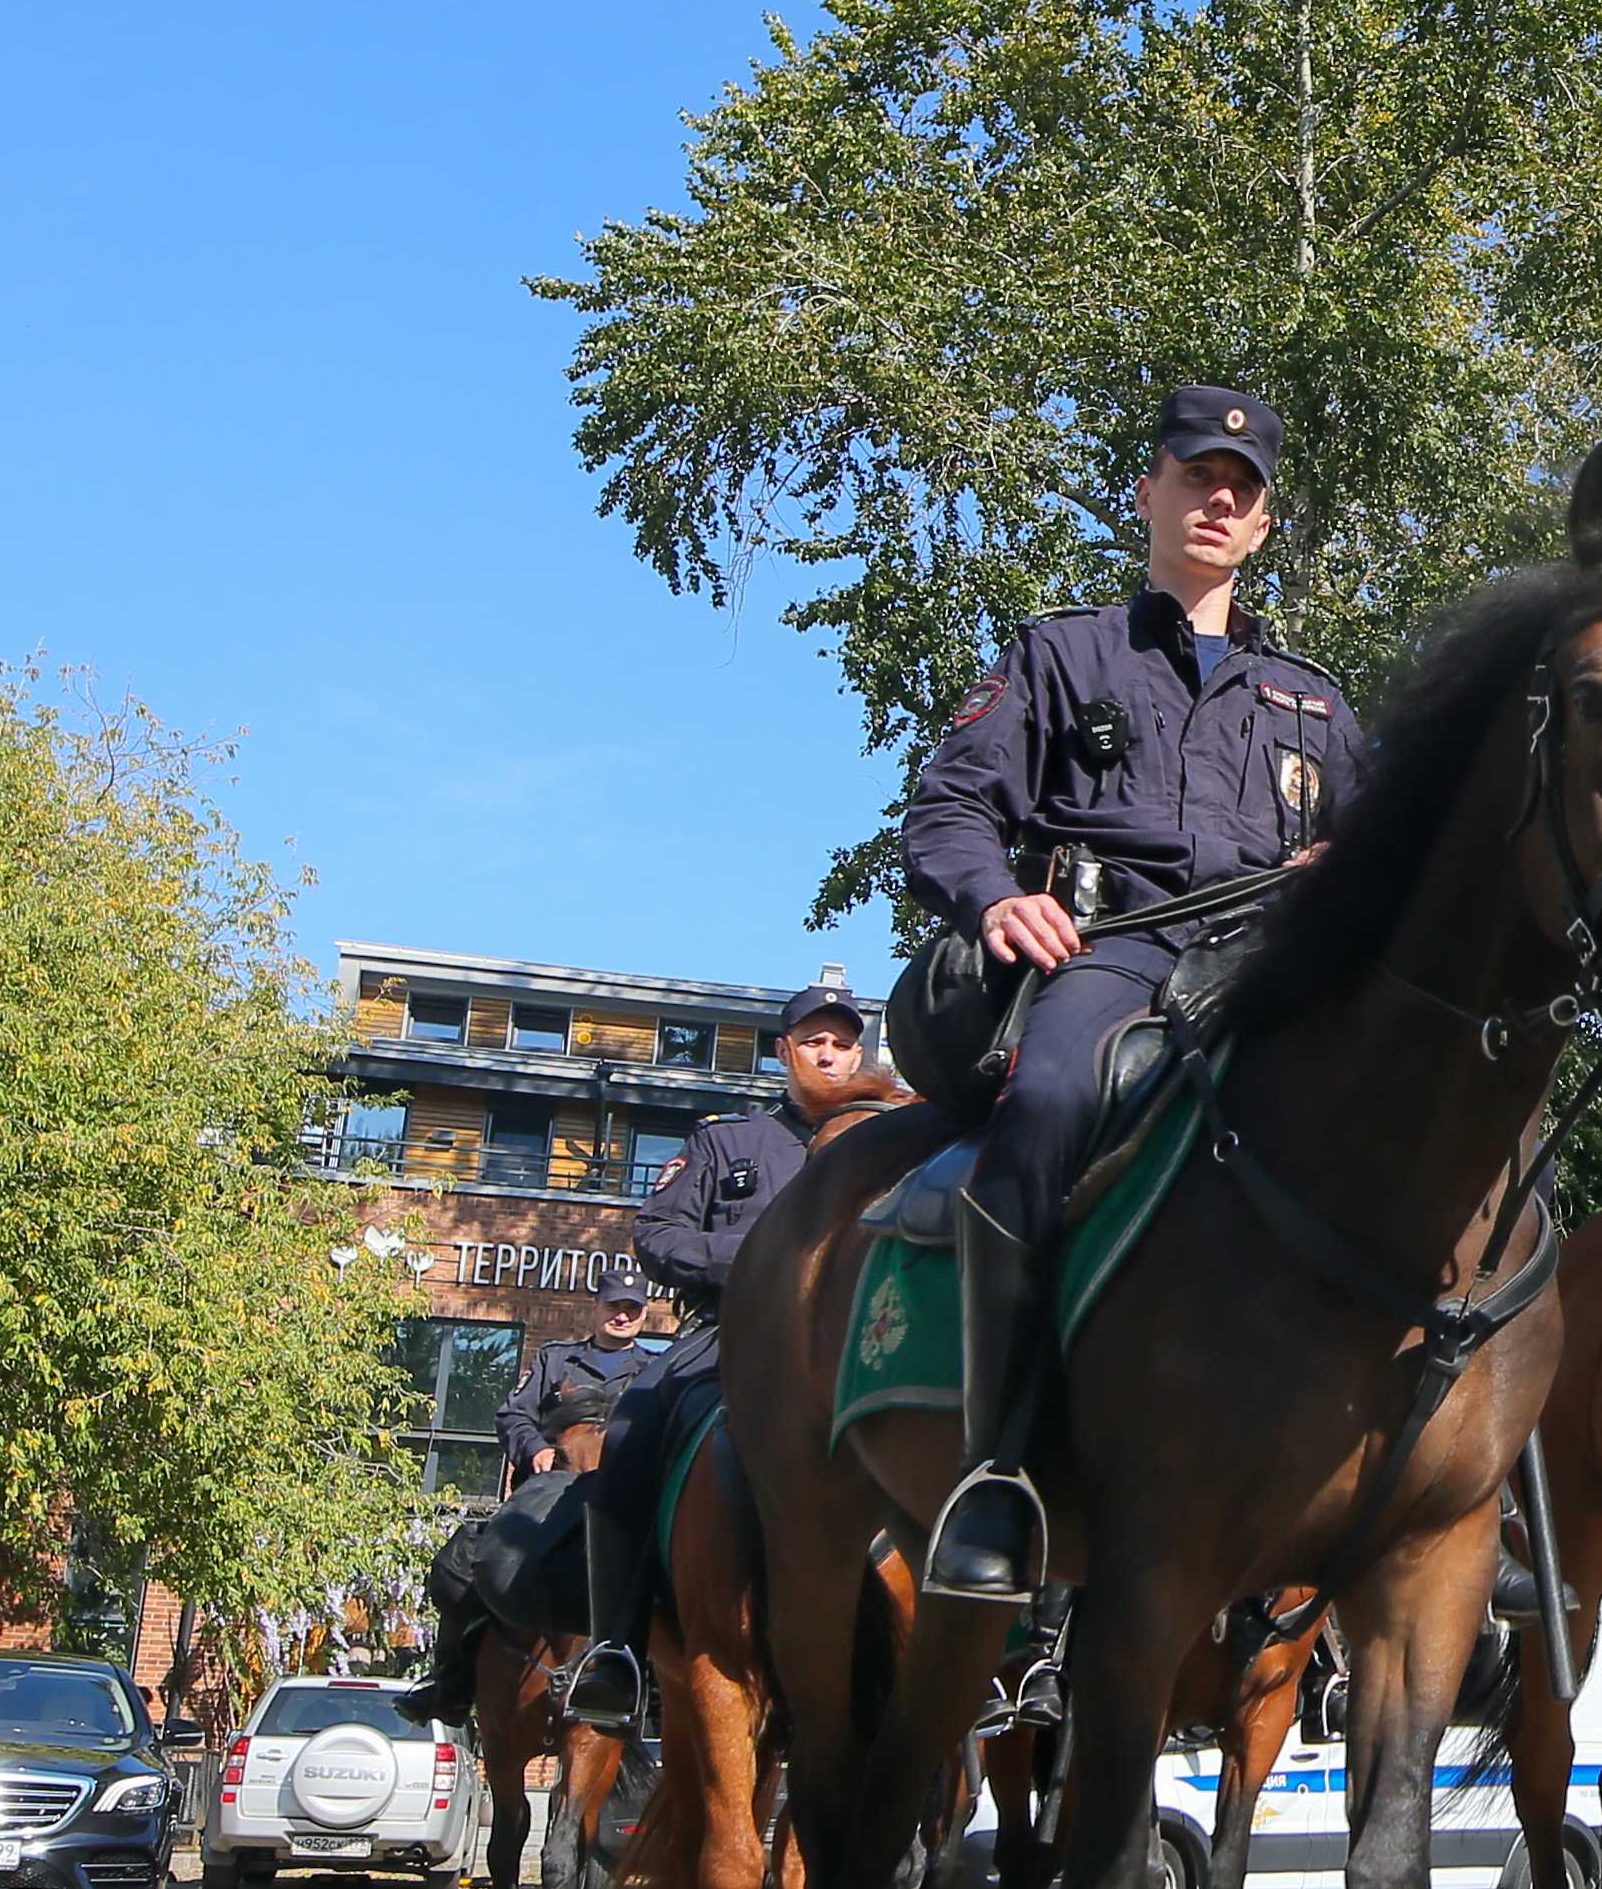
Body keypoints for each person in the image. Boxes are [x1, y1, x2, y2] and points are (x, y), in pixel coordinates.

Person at [895, 382, 1364, 1605]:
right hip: (1115, 953)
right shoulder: (1063, 654)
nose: (1218, 499)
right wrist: (996, 898)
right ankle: (995, 1465)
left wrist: (1348, 870)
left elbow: (1396, 864)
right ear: (1146, 491)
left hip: (1274, 971)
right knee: (1048, 1097)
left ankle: (1437, 1489)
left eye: (1242, 488)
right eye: (1197, 476)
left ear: (1262, 525)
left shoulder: (1317, 702)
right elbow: (949, 807)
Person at [564, 984, 871, 1724]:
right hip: (730, 1333)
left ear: (860, 1055)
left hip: (866, 1331)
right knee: (632, 1431)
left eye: (841, 1042)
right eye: (811, 1041)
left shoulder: (888, 1140)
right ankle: (617, 1649)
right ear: (783, 1053)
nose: (826, 1054)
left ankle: (995, 1655)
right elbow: (657, 1234)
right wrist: (764, 1257)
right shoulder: (724, 1141)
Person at [496, 1262, 665, 1481]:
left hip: (626, 1490)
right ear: (595, 1306)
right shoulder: (555, 1359)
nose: (621, 1317)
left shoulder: (658, 1370)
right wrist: (536, 1449)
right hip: (551, 1485)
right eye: (613, 1306)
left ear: (644, 1314)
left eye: (631, 1308)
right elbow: (512, 1416)